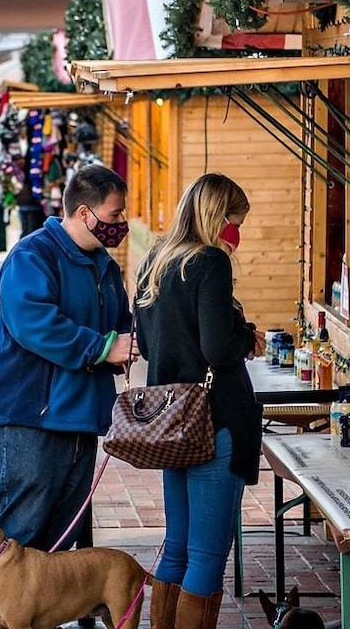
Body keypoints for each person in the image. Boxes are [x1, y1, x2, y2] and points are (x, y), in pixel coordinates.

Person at [0, 164, 134, 629]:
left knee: (57, 562)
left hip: (81, 422)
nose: (120, 221)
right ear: (84, 213)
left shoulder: (104, 264)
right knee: (7, 556)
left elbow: (121, 324)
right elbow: (33, 323)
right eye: (114, 212)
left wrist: (127, 339)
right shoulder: (31, 256)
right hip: (29, 422)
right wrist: (102, 347)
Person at [133, 173, 262, 628]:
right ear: (218, 216)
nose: (236, 232)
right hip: (216, 422)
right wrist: (246, 335)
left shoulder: (155, 260)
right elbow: (217, 350)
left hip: (171, 421)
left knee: (178, 545)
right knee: (207, 555)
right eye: (235, 220)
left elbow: (148, 347)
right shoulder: (209, 263)